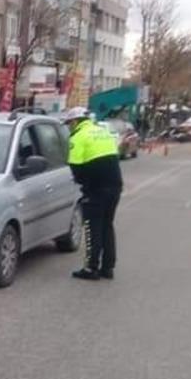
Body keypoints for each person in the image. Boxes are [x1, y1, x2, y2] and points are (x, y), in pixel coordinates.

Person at [62, 107, 123, 280]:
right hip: (115, 186)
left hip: (96, 189)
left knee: (92, 227)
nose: (69, 127)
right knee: (107, 225)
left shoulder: (78, 137)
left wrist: (83, 186)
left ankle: (91, 268)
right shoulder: (102, 131)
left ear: (75, 121)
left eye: (69, 123)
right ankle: (108, 267)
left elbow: (76, 168)